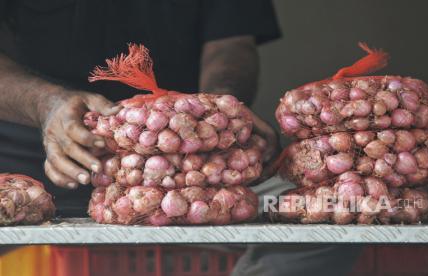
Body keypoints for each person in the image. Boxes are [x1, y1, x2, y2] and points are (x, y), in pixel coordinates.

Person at [0, 1, 360, 274]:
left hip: (199, 169)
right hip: (24, 166)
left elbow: (231, 43)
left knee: (334, 214)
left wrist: (220, 110)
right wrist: (47, 106)